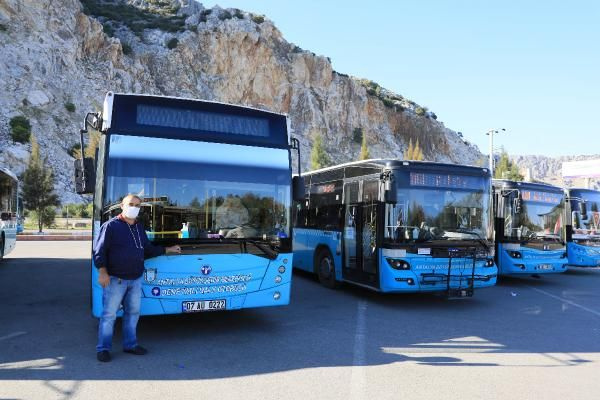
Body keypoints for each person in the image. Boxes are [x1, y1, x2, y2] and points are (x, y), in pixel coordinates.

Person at [93, 194, 181, 362]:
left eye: (137, 205)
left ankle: (130, 345)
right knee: (109, 315)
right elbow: (99, 251)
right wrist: (102, 272)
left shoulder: (139, 227)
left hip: (135, 279)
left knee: (133, 313)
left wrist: (167, 249)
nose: (134, 208)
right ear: (122, 206)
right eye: (130, 204)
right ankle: (103, 348)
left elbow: (147, 249)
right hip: (115, 280)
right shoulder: (110, 226)